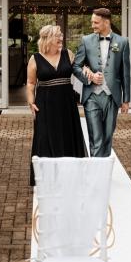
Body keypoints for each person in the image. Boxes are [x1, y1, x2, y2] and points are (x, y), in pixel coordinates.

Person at [26, 25, 87, 185]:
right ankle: (47, 177)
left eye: (61, 35)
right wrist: (31, 101)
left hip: (66, 104)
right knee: (45, 138)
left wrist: (91, 74)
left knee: (68, 135)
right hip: (45, 105)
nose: (61, 39)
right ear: (47, 38)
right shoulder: (35, 58)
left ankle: (70, 175)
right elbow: (31, 83)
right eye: (57, 36)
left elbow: (80, 71)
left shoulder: (69, 54)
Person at [72, 8, 131, 157]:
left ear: (106, 22)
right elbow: (76, 66)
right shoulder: (86, 40)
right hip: (91, 96)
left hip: (112, 97)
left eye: (96, 22)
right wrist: (89, 77)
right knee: (96, 139)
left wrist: (126, 100)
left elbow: (125, 73)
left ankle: (103, 170)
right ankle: (96, 176)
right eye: (92, 22)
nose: (93, 25)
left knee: (107, 138)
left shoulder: (123, 42)